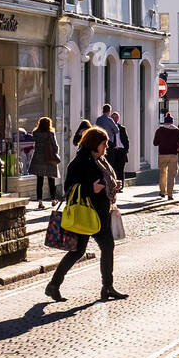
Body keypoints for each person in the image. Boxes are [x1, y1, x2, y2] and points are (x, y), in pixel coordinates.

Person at [45, 126, 127, 303]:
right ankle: (54, 285)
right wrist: (91, 188)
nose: (106, 147)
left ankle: (107, 287)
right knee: (77, 251)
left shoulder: (101, 161)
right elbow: (70, 188)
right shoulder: (80, 162)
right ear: (94, 144)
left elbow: (106, 181)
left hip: (100, 214)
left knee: (106, 247)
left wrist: (113, 185)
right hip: (86, 214)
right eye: (103, 144)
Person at [153, 113, 179, 200]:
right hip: (173, 155)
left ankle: (162, 191)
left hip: (162, 154)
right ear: (172, 122)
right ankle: (170, 194)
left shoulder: (159, 130)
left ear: (164, 122)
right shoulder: (177, 131)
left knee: (162, 173)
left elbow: (155, 143)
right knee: (171, 175)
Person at [29, 116, 60, 208]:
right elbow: (55, 146)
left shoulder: (35, 133)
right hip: (49, 158)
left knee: (39, 181)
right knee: (51, 180)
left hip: (38, 158)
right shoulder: (50, 133)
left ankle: (40, 202)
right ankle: (53, 200)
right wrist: (55, 153)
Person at [110, 111, 130, 181]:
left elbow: (126, 140)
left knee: (121, 169)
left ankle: (121, 185)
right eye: (112, 117)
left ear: (118, 119)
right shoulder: (110, 128)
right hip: (113, 150)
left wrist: (125, 150)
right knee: (114, 168)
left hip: (121, 150)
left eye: (116, 117)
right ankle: (115, 184)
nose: (114, 119)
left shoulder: (122, 128)